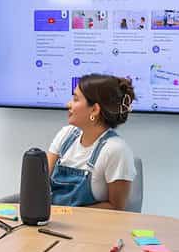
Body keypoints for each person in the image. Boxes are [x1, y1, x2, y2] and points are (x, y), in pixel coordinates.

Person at [47, 74, 137, 209]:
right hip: (54, 222)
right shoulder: (66, 135)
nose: (68, 104)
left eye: (75, 99)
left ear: (94, 110)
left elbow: (117, 209)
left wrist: (69, 215)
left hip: (91, 227)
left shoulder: (116, 150)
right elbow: (41, 182)